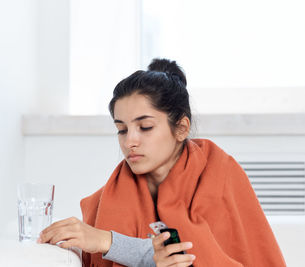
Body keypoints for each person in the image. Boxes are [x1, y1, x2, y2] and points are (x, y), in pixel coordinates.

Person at [38, 59, 286, 267]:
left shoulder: (219, 173)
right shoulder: (107, 197)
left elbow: (199, 255)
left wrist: (108, 241)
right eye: (122, 130)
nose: (130, 142)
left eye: (145, 127)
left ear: (181, 128)